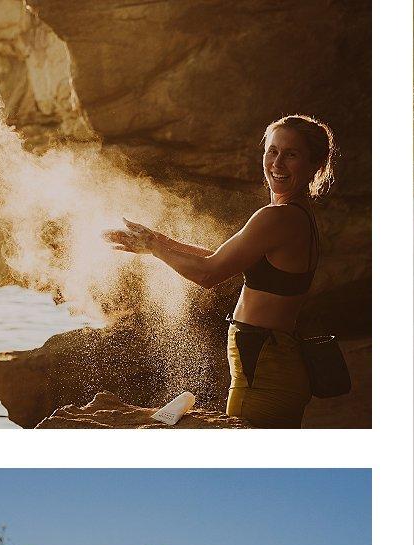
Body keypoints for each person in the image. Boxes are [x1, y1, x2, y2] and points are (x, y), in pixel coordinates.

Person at [105, 115, 337, 428]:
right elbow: (220, 260)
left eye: (291, 154)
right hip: (272, 363)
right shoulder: (296, 215)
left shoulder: (277, 217)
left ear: (314, 165)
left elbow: (209, 274)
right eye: (272, 151)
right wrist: (158, 241)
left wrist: (155, 247)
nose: (277, 163)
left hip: (265, 370)